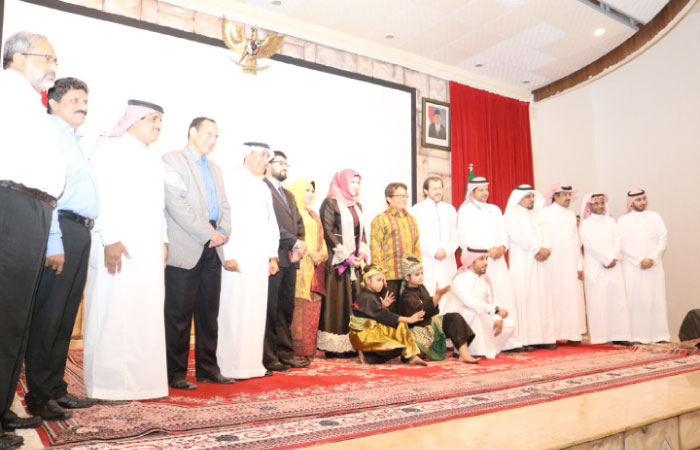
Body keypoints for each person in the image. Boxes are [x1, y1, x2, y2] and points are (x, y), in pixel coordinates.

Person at [0, 31, 65, 448]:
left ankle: (3, 405)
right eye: (48, 57)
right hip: (12, 203)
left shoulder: (26, 99)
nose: (53, 66)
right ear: (19, 58)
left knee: (15, 321)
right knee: (3, 316)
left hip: (34, 209)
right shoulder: (6, 92)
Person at [24, 78, 98, 423]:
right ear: (52, 103)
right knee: (48, 317)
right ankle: (38, 397)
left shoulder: (74, 139)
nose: (81, 104)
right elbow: (46, 191)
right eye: (73, 99)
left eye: (84, 99)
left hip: (79, 231)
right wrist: (54, 241)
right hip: (62, 229)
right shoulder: (50, 134)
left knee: (65, 317)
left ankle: (55, 388)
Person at [83, 99, 168, 400]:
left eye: (160, 119)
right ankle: (108, 384)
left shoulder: (152, 157)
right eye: (152, 118)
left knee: (143, 310)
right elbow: (100, 197)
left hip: (147, 249)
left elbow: (159, 206)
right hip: (117, 244)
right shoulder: (110, 150)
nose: (158, 124)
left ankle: (143, 383)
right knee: (114, 311)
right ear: (132, 119)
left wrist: (164, 240)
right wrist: (110, 238)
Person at [162, 117, 233, 390]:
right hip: (186, 243)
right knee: (178, 313)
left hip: (215, 245)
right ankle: (175, 373)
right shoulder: (172, 159)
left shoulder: (215, 168)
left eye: (216, 135)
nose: (211, 139)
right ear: (191, 132)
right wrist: (209, 232)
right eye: (207, 133)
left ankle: (208, 369)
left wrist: (224, 229)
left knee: (208, 311)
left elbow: (225, 205)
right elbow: (176, 204)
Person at [216, 142, 279, 379]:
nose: (265, 160)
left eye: (267, 156)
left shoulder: (263, 187)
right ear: (246, 155)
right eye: (261, 155)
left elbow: (270, 224)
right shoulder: (231, 180)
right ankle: (229, 366)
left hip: (259, 258)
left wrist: (272, 255)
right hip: (238, 256)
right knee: (234, 309)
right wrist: (228, 253)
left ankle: (253, 365)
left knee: (255, 309)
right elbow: (225, 218)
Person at [457, 177, 522, 351]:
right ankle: (485, 343)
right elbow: (465, 238)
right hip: (480, 262)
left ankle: (510, 341)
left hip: (499, 261)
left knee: (504, 296)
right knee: (485, 300)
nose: (485, 193)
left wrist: (502, 247)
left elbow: (504, 232)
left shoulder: (495, 209)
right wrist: (487, 250)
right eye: (480, 190)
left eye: (486, 189)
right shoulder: (465, 211)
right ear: (472, 192)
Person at [262, 151, 308, 371]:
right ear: (268, 165)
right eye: (280, 163)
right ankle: (269, 356)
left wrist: (300, 244)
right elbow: (270, 225)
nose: (284, 167)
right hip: (274, 255)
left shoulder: (288, 194)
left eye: (286, 164)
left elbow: (299, 223)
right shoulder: (262, 189)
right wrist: (294, 243)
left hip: (291, 258)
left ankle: (285, 352)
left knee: (286, 307)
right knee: (271, 307)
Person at [317, 169, 369, 357]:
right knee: (338, 301)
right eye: (351, 182)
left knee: (354, 300)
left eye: (357, 182)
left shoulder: (357, 206)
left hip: (354, 262)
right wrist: (345, 255)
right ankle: (334, 346)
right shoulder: (330, 203)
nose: (355, 186)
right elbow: (328, 231)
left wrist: (361, 253)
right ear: (342, 183)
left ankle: (351, 343)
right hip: (337, 261)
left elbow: (362, 233)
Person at [399, 255, 478, 363]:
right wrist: (437, 297)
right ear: (407, 277)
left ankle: (463, 354)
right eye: (417, 274)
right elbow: (421, 311)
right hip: (417, 331)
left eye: (422, 273)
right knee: (412, 346)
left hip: (430, 325)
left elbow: (431, 309)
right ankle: (414, 358)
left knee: (454, 318)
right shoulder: (406, 296)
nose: (421, 277)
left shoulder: (421, 288)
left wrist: (437, 297)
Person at [504, 185, 556, 350]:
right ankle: (525, 339)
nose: (532, 199)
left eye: (533, 196)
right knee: (525, 297)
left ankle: (544, 337)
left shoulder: (537, 215)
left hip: (541, 261)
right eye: (528, 197)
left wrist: (547, 248)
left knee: (542, 297)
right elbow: (518, 236)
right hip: (523, 261)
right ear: (519, 198)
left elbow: (547, 234)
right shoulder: (512, 214)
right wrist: (537, 248)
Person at [442, 248, 516, 359]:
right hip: (459, 319)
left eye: (486, 258)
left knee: (509, 325)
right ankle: (463, 350)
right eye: (481, 259)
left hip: (479, 315)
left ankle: (485, 349)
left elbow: (491, 300)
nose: (486, 262)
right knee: (473, 311)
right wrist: (495, 310)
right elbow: (470, 302)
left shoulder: (484, 279)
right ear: (471, 261)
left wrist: (497, 318)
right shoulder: (460, 279)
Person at [579, 193, 632, 345]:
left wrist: (614, 257)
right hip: (596, 267)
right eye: (596, 204)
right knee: (598, 301)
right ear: (589, 206)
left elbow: (618, 240)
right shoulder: (586, 224)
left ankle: (620, 335)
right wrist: (606, 259)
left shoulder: (610, 221)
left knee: (617, 301)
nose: (600, 206)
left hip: (613, 266)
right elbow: (589, 245)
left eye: (602, 203)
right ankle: (601, 337)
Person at [617, 189, 670, 343]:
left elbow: (663, 239)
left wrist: (652, 258)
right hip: (633, 267)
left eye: (644, 199)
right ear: (631, 202)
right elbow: (622, 244)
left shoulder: (655, 217)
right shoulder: (623, 221)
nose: (643, 202)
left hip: (654, 266)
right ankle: (635, 336)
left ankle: (660, 335)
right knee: (635, 300)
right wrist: (640, 259)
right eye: (639, 200)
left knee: (656, 299)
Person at [349, 266, 427, 365]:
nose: (382, 283)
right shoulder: (366, 297)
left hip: (371, 332)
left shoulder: (369, 293)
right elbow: (383, 315)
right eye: (379, 280)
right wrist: (409, 319)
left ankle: (411, 356)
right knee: (400, 345)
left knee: (400, 328)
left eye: (383, 280)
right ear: (368, 280)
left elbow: (375, 313)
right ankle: (368, 356)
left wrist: (383, 305)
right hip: (365, 338)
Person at [288, 179, 328, 362]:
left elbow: (322, 240)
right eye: (306, 190)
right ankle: (296, 350)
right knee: (299, 307)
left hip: (315, 268)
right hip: (300, 267)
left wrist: (321, 254)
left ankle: (309, 349)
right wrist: (310, 253)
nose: (310, 194)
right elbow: (294, 239)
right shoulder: (293, 213)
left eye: (312, 190)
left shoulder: (313, 214)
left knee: (313, 307)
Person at [539, 184, 586, 343]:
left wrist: (580, 265)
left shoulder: (571, 215)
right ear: (555, 196)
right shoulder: (544, 214)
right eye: (564, 195)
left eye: (569, 195)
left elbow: (576, 242)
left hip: (570, 263)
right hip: (551, 262)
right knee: (554, 296)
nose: (567, 198)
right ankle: (554, 334)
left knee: (570, 297)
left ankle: (572, 333)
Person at [370, 182, 421, 310]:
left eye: (405, 196)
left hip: (408, 278)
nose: (403, 199)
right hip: (389, 277)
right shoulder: (380, 219)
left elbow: (416, 247)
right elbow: (375, 250)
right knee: (388, 314)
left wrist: (416, 273)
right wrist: (379, 276)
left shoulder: (412, 220)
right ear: (388, 199)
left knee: (407, 314)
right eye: (399, 196)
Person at [410, 176, 458, 296]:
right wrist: (434, 251)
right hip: (428, 259)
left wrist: (446, 251)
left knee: (449, 297)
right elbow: (415, 236)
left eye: (440, 188)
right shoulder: (417, 210)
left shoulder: (450, 209)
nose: (438, 192)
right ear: (426, 191)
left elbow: (457, 234)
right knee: (430, 295)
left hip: (448, 259)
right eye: (434, 188)